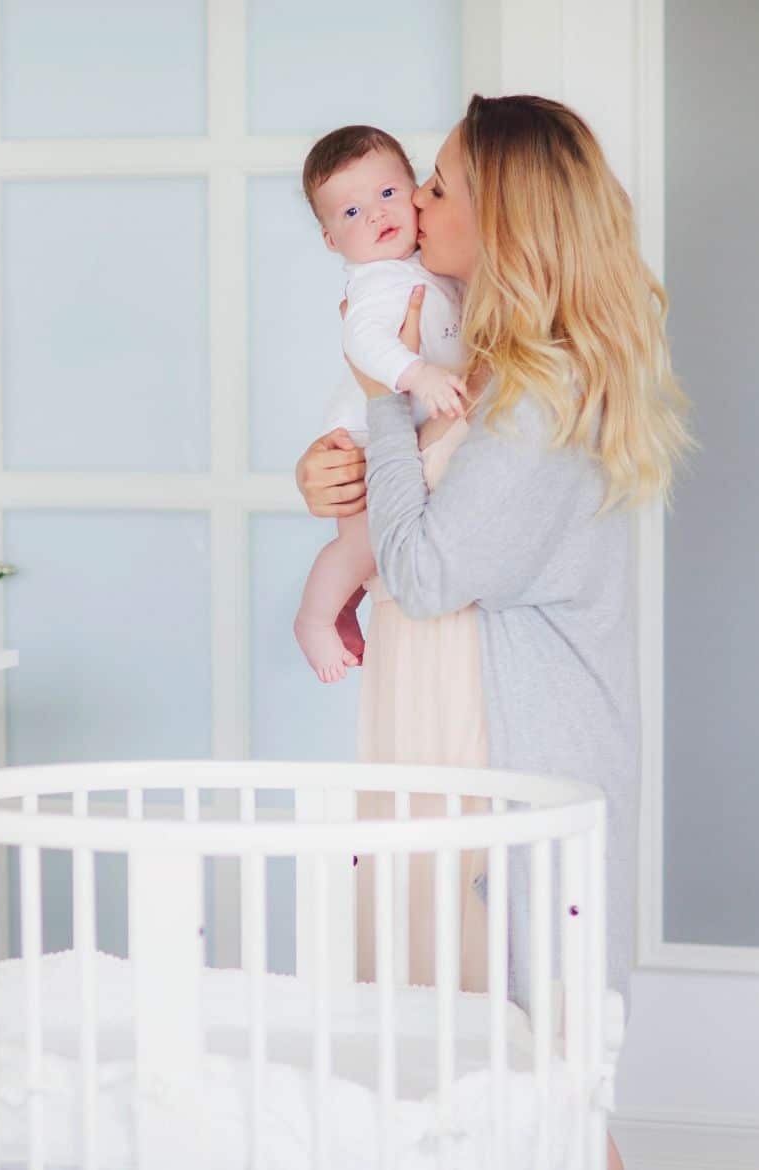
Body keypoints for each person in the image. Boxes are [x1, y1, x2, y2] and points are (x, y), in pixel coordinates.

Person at [296, 93, 693, 1170]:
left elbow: (426, 572)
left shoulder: (540, 393)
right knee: (449, 1081)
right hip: (445, 728)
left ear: (503, 217)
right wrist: (331, 483)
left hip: (505, 748)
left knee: (526, 1087)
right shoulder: (479, 359)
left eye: (436, 185)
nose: (413, 205)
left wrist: (381, 396)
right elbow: (413, 516)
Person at [293, 124, 468, 684]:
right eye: (350, 213)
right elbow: (362, 343)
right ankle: (316, 619)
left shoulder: (422, 268)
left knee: (363, 548)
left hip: (406, 427)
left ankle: (338, 603)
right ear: (330, 241)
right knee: (362, 541)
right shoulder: (375, 282)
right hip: (367, 437)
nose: (375, 215)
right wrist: (416, 373)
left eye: (389, 193)